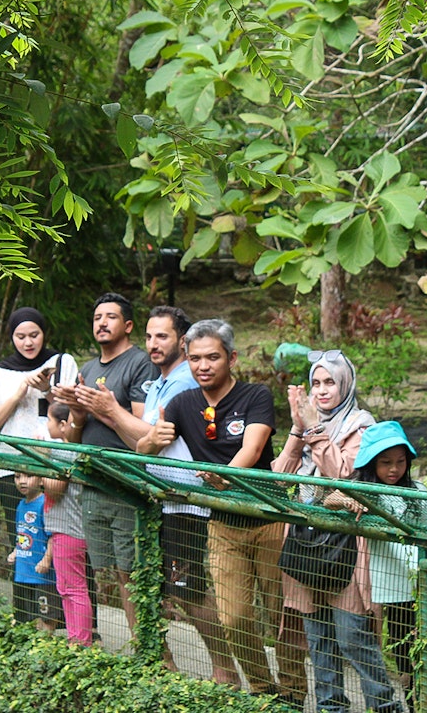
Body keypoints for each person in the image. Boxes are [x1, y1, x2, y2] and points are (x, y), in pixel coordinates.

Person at [138, 318, 283, 697]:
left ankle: (295, 692)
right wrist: (154, 439)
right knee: (234, 617)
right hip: (223, 521)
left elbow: (250, 451)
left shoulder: (256, 396)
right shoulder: (182, 402)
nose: (203, 366)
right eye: (196, 358)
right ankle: (265, 691)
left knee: (282, 615)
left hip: (267, 517)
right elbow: (141, 450)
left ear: (231, 358)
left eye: (213, 357)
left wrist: (222, 477)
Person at [273, 349, 392, 712]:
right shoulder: (310, 423)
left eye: (329, 382)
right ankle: (330, 708)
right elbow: (280, 478)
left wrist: (313, 430)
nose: (322, 391)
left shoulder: (362, 426)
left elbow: (344, 475)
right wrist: (298, 427)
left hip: (346, 546)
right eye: (315, 383)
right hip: (307, 541)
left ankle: (385, 706)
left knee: (353, 636)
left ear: (346, 383)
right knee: (318, 639)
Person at [138, 306, 239, 689]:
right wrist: (148, 440)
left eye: (162, 336)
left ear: (180, 341)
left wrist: (111, 411)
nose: (153, 344)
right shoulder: (161, 384)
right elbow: (147, 441)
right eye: (149, 337)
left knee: (190, 589)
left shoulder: (185, 385)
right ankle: (167, 662)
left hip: (188, 502)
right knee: (166, 586)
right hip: (160, 499)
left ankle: (225, 669)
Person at [53, 293, 157, 638]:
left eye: (111, 317)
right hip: (92, 482)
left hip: (126, 484)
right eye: (97, 317)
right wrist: (79, 414)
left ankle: (154, 653)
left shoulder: (140, 363)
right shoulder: (88, 369)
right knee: (107, 573)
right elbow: (73, 437)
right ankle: (136, 645)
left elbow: (145, 430)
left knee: (133, 572)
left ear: (128, 325)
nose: (102, 322)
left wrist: (104, 409)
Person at [326, 420, 427, 713]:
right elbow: (329, 498)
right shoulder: (362, 490)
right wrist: (346, 501)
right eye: (386, 463)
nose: (394, 469)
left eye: (400, 462)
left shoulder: (418, 490)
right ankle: (415, 705)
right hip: (393, 591)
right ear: (371, 463)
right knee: (404, 654)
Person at [0, 307, 78, 552]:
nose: (28, 342)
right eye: (20, 337)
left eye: (34, 335)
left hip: (53, 468)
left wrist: (46, 391)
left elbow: (73, 414)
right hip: (11, 470)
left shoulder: (61, 363)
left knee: (59, 542)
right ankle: (21, 590)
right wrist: (17, 395)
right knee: (22, 544)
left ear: (44, 333)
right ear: (12, 337)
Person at [40, 402, 95, 646]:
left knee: (74, 587)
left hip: (69, 529)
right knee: (65, 587)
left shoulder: (62, 451)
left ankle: (81, 641)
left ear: (63, 425)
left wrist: (40, 460)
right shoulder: (67, 449)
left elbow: (55, 488)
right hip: (64, 528)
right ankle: (75, 637)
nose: (46, 426)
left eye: (49, 421)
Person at [7, 471, 62, 633]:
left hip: (42, 575)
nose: (22, 482)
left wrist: (46, 559)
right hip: (23, 572)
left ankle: (44, 647)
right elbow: (22, 534)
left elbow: (53, 536)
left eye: (28, 476)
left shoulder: (45, 503)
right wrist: (15, 551)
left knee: (46, 615)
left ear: (41, 480)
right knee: (26, 616)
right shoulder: (21, 505)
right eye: (17, 477)